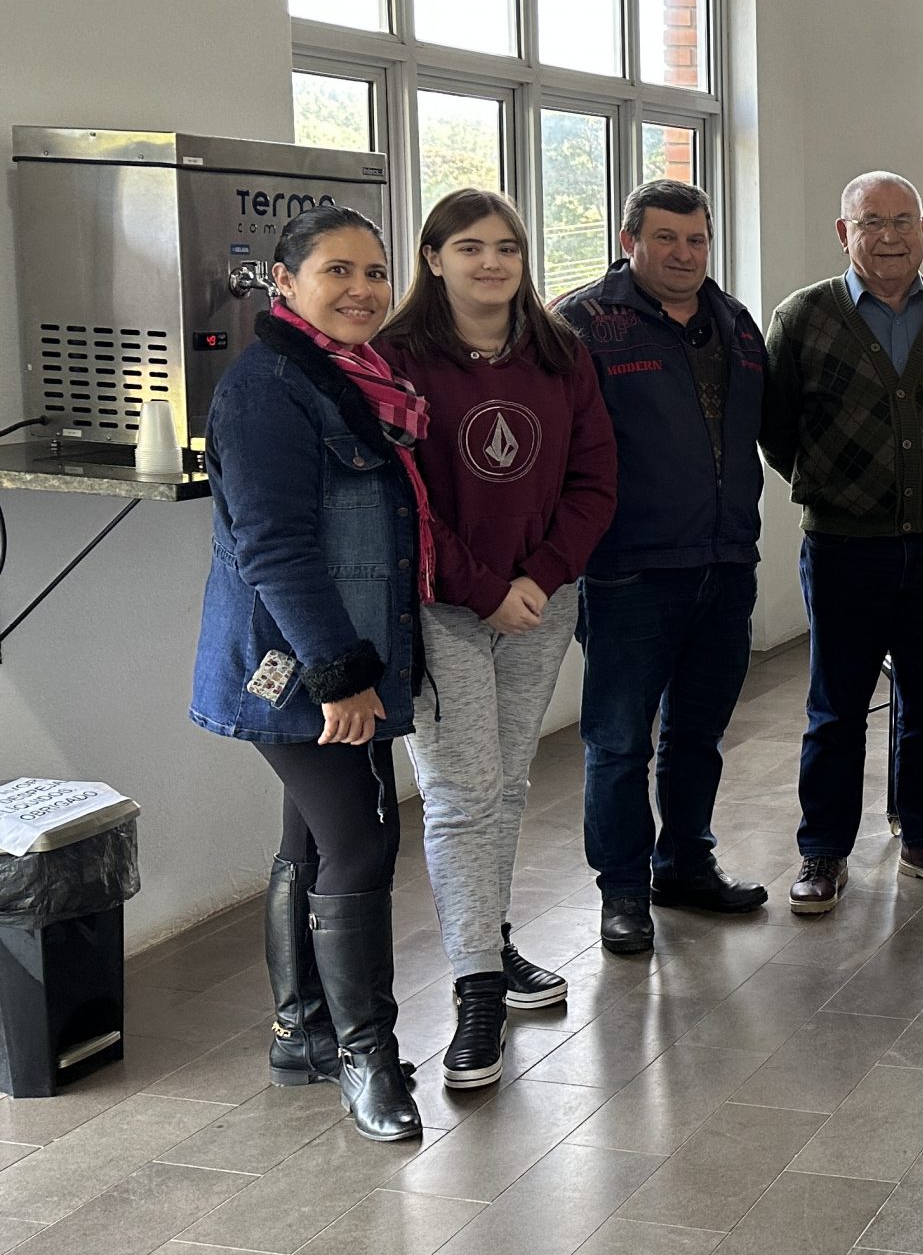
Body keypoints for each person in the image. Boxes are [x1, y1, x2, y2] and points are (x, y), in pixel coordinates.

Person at [191, 205, 423, 1141]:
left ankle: (302, 1035)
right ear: (285, 283)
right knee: (362, 843)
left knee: (316, 836)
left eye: (375, 272)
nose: (362, 290)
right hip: (298, 665)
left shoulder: (349, 378)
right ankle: (367, 1058)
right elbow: (275, 548)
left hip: (325, 654)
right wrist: (339, 674)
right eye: (338, 271)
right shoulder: (268, 391)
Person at [374, 189, 614, 1087]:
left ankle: (490, 939)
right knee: (460, 794)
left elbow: (595, 479)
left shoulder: (561, 352)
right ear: (433, 259)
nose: (491, 263)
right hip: (441, 608)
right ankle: (476, 987)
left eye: (506, 247)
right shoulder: (395, 359)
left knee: (506, 782)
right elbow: (401, 498)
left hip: (539, 603)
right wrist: (483, 590)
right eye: (469, 247)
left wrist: (539, 579)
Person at [762, 171, 923, 907]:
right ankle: (823, 851)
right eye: (872, 222)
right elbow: (776, 426)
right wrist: (831, 487)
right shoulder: (802, 316)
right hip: (843, 548)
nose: (889, 236)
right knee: (836, 709)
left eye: (903, 221)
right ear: (845, 233)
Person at [557, 180, 770, 954]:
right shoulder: (582, 324)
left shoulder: (734, 323)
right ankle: (622, 892)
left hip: (725, 560)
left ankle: (684, 864)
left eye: (697, 239)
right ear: (629, 242)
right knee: (619, 741)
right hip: (628, 570)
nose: (684, 254)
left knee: (698, 734)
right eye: (666, 238)